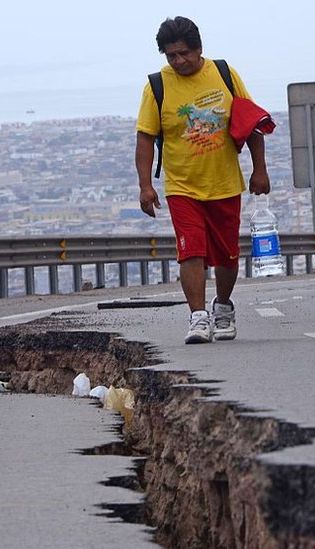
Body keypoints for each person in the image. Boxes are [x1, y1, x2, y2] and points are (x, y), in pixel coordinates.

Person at [135, 16, 270, 343]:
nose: (179, 61)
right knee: (190, 249)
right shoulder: (158, 85)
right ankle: (197, 317)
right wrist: (145, 185)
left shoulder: (224, 73)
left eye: (184, 53)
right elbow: (144, 137)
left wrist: (260, 169)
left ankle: (222, 306)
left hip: (224, 184)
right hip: (182, 186)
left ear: (199, 49)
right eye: (171, 56)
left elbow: (250, 121)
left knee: (227, 255)